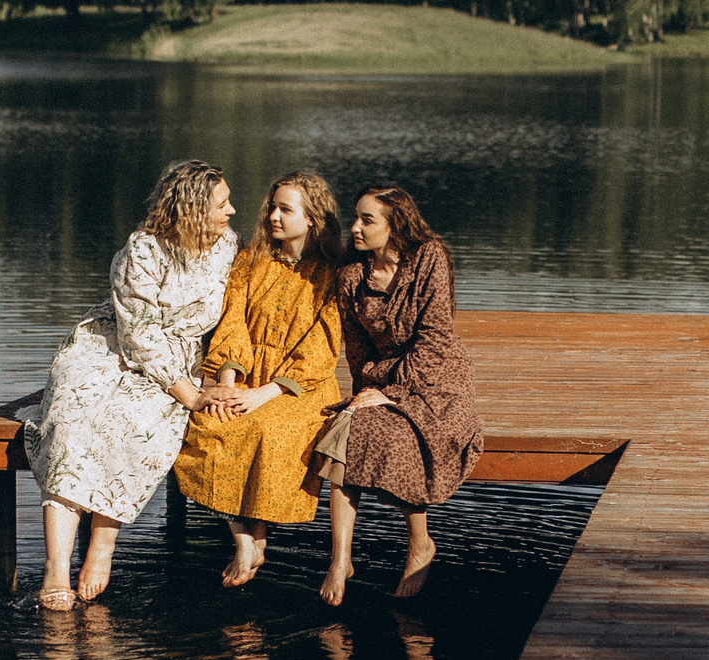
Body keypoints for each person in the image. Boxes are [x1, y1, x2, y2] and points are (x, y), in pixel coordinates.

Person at [25, 160, 241, 612]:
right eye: (222, 204)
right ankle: (56, 567)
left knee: (139, 420)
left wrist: (205, 384)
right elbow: (139, 335)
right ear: (193, 209)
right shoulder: (142, 250)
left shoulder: (227, 246)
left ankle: (102, 547)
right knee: (72, 420)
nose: (232, 211)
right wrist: (191, 395)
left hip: (181, 356)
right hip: (111, 344)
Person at [173, 171, 346, 588]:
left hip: (301, 386)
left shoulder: (332, 273)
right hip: (248, 375)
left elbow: (321, 351)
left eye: (285, 209)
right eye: (272, 207)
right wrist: (229, 381)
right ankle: (245, 538)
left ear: (313, 218)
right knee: (210, 420)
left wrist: (266, 393)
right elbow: (232, 324)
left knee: (271, 431)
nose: (273, 216)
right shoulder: (251, 261)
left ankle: (260, 532)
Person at [311, 185, 483, 605]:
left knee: (405, 437)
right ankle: (340, 559)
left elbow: (434, 339)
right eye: (356, 217)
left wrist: (390, 391)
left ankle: (421, 543)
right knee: (348, 429)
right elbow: (357, 349)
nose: (354, 228)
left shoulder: (429, 258)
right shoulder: (352, 275)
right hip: (380, 381)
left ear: (395, 226)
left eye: (367, 220)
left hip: (438, 380)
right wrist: (367, 392)